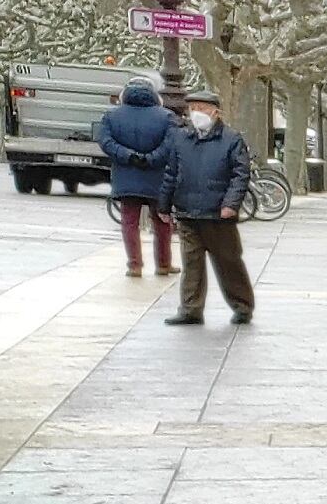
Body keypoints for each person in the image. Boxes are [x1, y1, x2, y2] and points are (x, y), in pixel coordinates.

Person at [158, 86, 257, 328]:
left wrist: (230, 204)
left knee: (228, 262)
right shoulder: (182, 138)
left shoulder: (231, 139)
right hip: (187, 211)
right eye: (192, 108)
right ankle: (190, 309)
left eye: (201, 108)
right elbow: (171, 173)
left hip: (218, 214)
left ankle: (242, 306)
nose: (196, 113)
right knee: (191, 264)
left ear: (215, 112)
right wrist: (164, 204)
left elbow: (240, 175)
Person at [93, 77, 177, 280]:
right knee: (162, 221)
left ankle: (135, 265)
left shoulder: (112, 116)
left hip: (126, 176)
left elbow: (105, 141)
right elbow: (172, 144)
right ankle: (164, 264)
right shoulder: (167, 117)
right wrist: (152, 159)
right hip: (157, 176)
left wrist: (127, 155)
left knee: (129, 221)